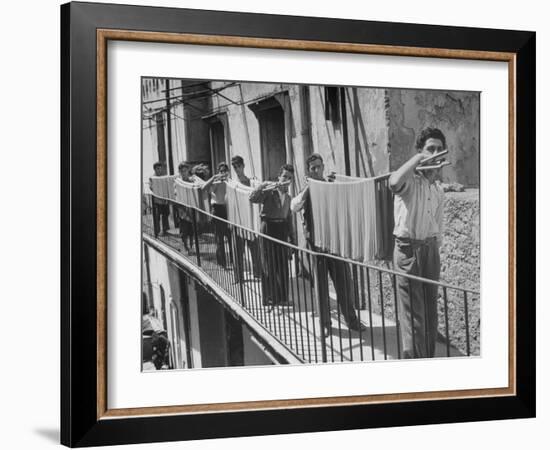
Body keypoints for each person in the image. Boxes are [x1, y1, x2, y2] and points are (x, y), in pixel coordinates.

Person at [290, 153, 366, 336]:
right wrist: (309, 187)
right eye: (313, 168)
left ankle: (352, 320)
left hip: (334, 244)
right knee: (321, 286)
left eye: (319, 166)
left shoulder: (332, 185)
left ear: (323, 166)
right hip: (316, 246)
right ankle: (325, 324)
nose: (317, 170)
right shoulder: (305, 189)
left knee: (344, 283)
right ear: (309, 171)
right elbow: (294, 206)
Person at [388, 127, 447, 359]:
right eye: (429, 149)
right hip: (408, 250)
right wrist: (418, 160)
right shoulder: (410, 181)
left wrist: (434, 251)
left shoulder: (438, 189)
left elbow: (438, 226)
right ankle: (415, 367)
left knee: (430, 313)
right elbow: (393, 182)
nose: (435, 152)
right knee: (414, 317)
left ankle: (428, 361)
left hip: (430, 251)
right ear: (421, 152)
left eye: (439, 149)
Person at [250, 164, 296, 307]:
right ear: (279, 177)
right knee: (268, 263)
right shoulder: (269, 192)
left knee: (282, 264)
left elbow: (288, 218)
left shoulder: (288, 197)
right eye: (284, 177)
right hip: (268, 227)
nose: (286, 180)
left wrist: (292, 239)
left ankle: (282, 298)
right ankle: (269, 298)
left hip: (281, 229)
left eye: (289, 178)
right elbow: (253, 198)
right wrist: (265, 185)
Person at [231, 155, 261, 281]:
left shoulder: (252, 182)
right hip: (237, 221)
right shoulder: (233, 184)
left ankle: (258, 273)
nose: (237, 169)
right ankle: (239, 277)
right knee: (238, 251)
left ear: (243, 166)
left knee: (254, 249)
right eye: (235, 167)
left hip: (250, 221)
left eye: (239, 166)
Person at [202, 162, 232, 267]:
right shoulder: (216, 182)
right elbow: (204, 188)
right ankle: (222, 263)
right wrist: (215, 178)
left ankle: (232, 262)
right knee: (219, 239)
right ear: (218, 172)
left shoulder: (230, 181)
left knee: (230, 237)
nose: (223, 173)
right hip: (218, 210)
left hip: (228, 210)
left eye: (225, 171)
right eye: (221, 171)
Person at [175, 161, 203, 253]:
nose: (184, 173)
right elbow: (175, 193)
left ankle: (191, 247)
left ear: (188, 171)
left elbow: (199, 185)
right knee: (184, 231)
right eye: (182, 171)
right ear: (180, 172)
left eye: (185, 171)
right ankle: (186, 247)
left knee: (192, 230)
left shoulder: (192, 180)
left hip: (191, 209)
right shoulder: (178, 182)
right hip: (182, 210)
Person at [149, 161, 170, 237]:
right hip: (157, 200)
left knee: (165, 214)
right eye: (158, 169)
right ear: (155, 169)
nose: (160, 170)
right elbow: (151, 187)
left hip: (164, 200)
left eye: (161, 168)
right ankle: (157, 231)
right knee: (157, 216)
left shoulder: (164, 177)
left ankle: (165, 230)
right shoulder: (152, 178)